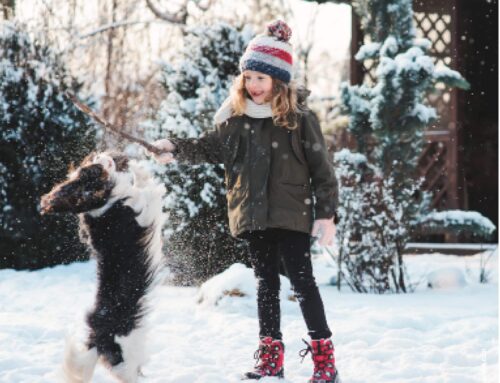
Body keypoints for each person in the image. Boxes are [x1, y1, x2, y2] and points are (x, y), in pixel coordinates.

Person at [149, 20, 340, 383]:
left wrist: (327, 214)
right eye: (248, 78)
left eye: (261, 79)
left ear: (278, 82)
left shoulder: (299, 119)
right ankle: (271, 357)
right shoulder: (235, 121)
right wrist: (174, 148)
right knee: (266, 284)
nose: (253, 86)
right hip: (253, 216)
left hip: (292, 214)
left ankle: (324, 359)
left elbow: (322, 168)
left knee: (303, 283)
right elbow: (208, 147)